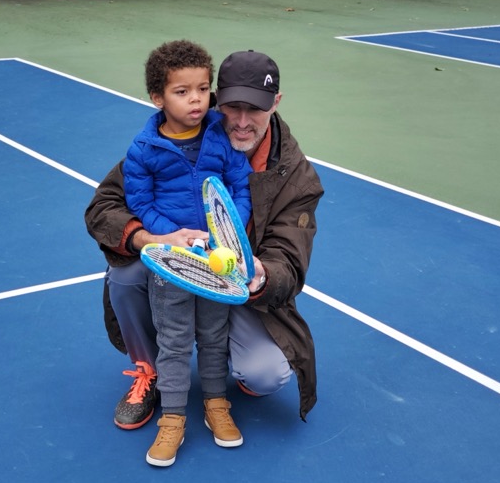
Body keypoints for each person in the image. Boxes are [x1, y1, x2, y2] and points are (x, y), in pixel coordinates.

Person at [85, 49, 324, 446]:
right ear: (216, 99)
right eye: (233, 107)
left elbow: (289, 261)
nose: (243, 122)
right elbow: (104, 207)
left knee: (267, 374)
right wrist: (153, 239)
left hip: (242, 285)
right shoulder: (166, 142)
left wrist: (257, 271)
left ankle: (226, 378)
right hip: (176, 264)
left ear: (276, 104)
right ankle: (150, 371)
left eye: (256, 110)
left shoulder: (297, 177)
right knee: (125, 270)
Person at [123, 40, 253, 467]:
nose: (196, 99)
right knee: (175, 342)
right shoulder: (143, 150)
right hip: (173, 265)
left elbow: (238, 187)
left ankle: (216, 404)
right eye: (182, 91)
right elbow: (141, 205)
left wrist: (227, 235)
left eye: (202, 88)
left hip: (219, 263)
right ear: (157, 98)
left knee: (214, 337)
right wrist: (170, 237)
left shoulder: (220, 133)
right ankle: (173, 418)